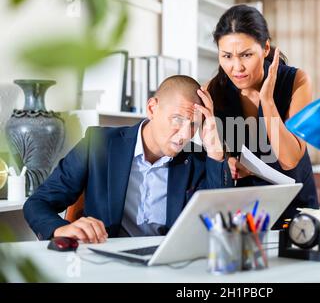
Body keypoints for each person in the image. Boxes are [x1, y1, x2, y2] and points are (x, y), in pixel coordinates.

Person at [24, 75, 232, 242]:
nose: (185, 134)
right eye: (177, 119)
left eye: (194, 124)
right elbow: (38, 203)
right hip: (107, 265)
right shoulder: (98, 144)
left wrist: (215, 152)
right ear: (152, 108)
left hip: (168, 269)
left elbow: (220, 221)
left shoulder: (197, 160)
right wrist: (61, 230)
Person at [207, 5, 318, 222]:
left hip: (295, 208)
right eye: (227, 56)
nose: (236, 67)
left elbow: (289, 160)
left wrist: (267, 100)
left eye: (246, 55)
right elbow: (208, 158)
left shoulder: (296, 82)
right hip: (244, 212)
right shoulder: (214, 90)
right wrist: (226, 163)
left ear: (266, 48)